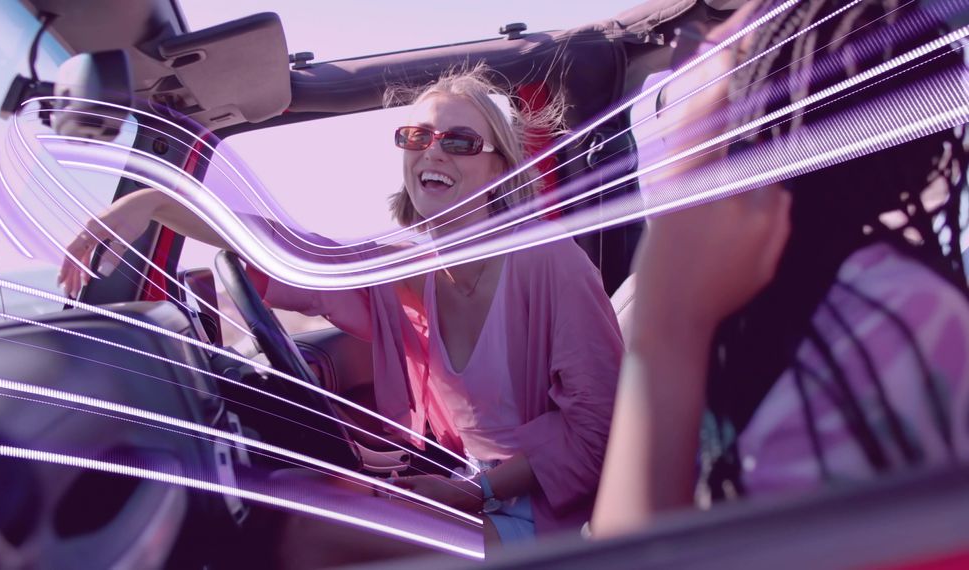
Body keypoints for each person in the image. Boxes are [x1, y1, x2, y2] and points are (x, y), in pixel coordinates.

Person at [59, 64, 624, 558]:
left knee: (300, 536)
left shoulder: (552, 264)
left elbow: (599, 431)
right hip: (467, 489)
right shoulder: (405, 274)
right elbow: (289, 255)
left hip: (545, 517)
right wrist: (155, 201)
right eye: (416, 136)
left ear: (499, 169)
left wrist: (474, 492)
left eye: (459, 142)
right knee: (281, 490)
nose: (432, 149)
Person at [592, 0, 969, 537]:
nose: (675, 80)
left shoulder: (891, 321)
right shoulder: (876, 304)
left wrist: (666, 333)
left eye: (706, 52)